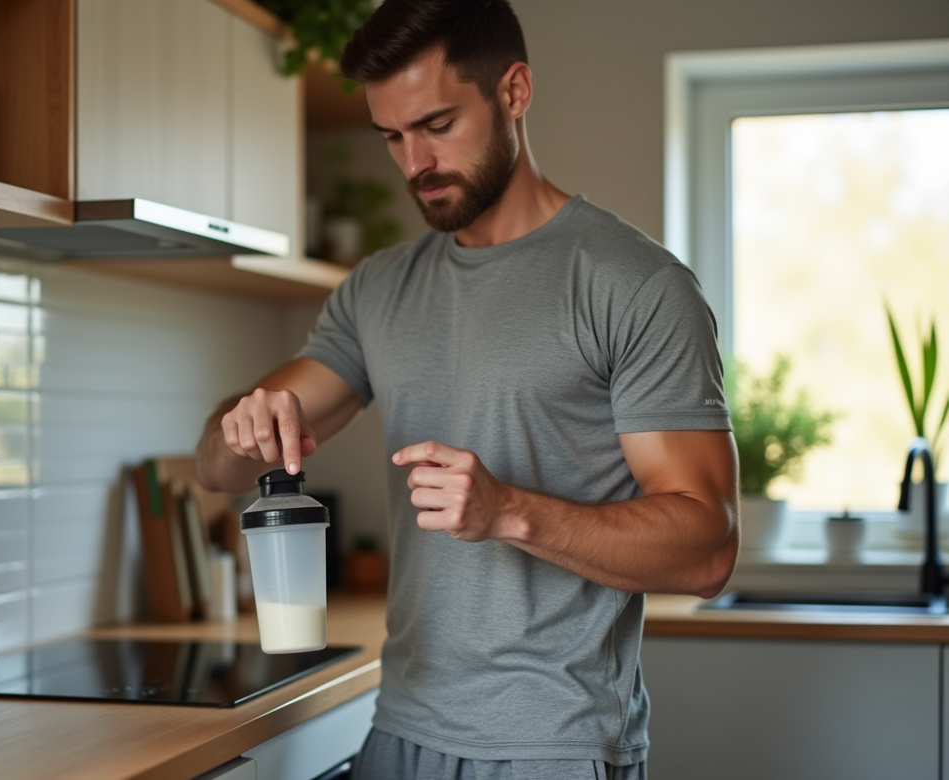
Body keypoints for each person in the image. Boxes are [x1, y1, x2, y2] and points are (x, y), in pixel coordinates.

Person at [195, 0, 738, 777]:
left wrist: (510, 511)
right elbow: (215, 470)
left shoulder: (634, 285)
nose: (415, 161)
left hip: (552, 746)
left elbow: (706, 548)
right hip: (401, 732)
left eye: (438, 125)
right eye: (393, 135)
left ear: (514, 92)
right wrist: (240, 427)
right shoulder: (379, 290)